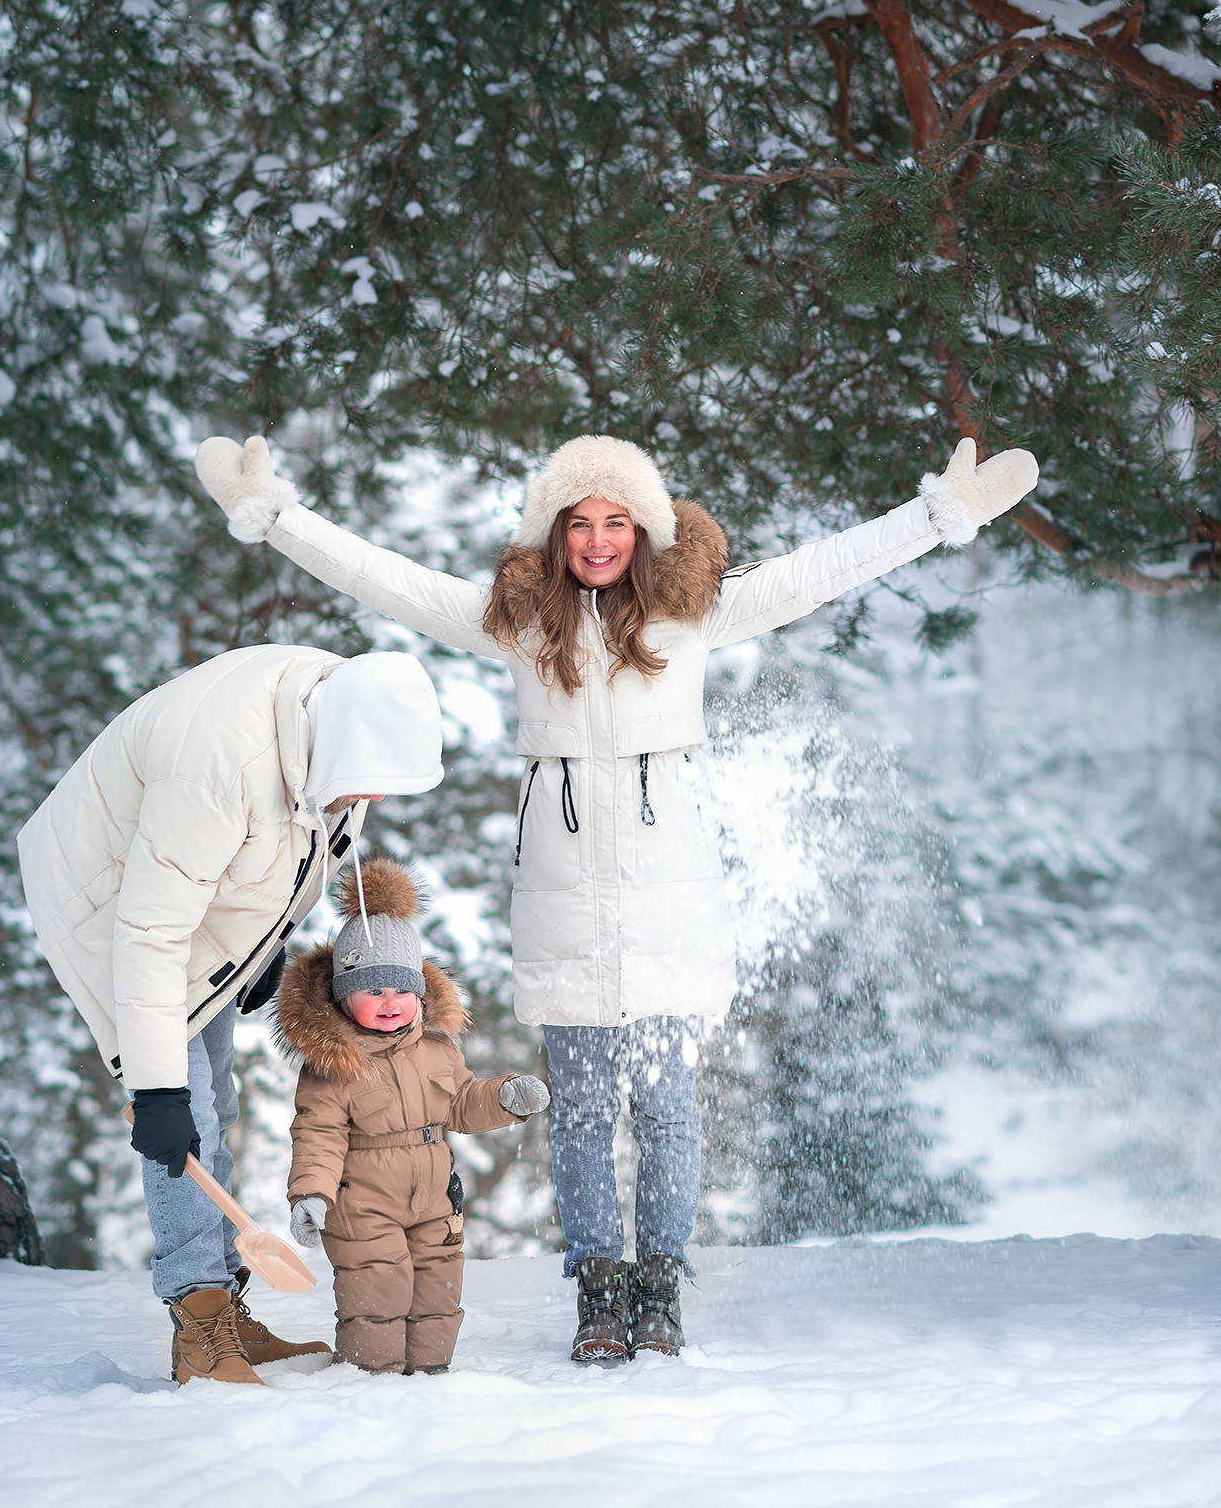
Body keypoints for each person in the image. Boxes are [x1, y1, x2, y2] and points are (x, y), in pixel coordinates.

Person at [194, 429, 1038, 1360]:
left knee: (669, 1106)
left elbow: (818, 571)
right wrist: (276, 517)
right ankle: (600, 1289)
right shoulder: (518, 623)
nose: (599, 540)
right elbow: (389, 580)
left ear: (645, 529)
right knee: (586, 1110)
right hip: (560, 903)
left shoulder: (692, 613)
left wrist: (936, 516)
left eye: (617, 522)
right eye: (579, 523)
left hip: (669, 899)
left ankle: (661, 1286)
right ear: (553, 534)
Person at [17, 642, 446, 1385]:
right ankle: (199, 1320)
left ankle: (228, 1303)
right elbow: (149, 934)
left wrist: (263, 946)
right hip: (109, 900)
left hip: (188, 895)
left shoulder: (338, 721)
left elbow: (297, 851)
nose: (371, 800)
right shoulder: (221, 763)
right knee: (183, 1115)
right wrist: (153, 1089)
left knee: (218, 1099)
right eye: (368, 784)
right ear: (342, 747)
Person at [277, 852, 550, 1373]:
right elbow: (318, 1134)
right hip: (362, 1204)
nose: (391, 1001)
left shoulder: (437, 1049)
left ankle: (430, 1379)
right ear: (342, 996)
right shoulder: (334, 1064)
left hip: (433, 1196)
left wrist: (504, 1098)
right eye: (372, 989)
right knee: (375, 1292)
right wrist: (311, 1194)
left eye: (403, 988)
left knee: (437, 1290)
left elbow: (461, 1103)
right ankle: (371, 1379)